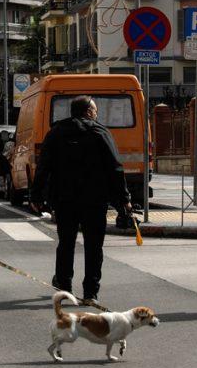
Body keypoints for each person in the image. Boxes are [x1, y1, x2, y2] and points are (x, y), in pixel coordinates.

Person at [30, 95, 133, 303]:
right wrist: (124, 198)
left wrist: (36, 195)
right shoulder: (100, 132)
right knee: (94, 246)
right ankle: (90, 293)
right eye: (95, 110)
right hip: (94, 200)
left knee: (66, 243)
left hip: (64, 199)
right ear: (88, 111)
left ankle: (65, 287)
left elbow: (43, 167)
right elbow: (115, 168)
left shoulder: (56, 132)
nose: (96, 114)